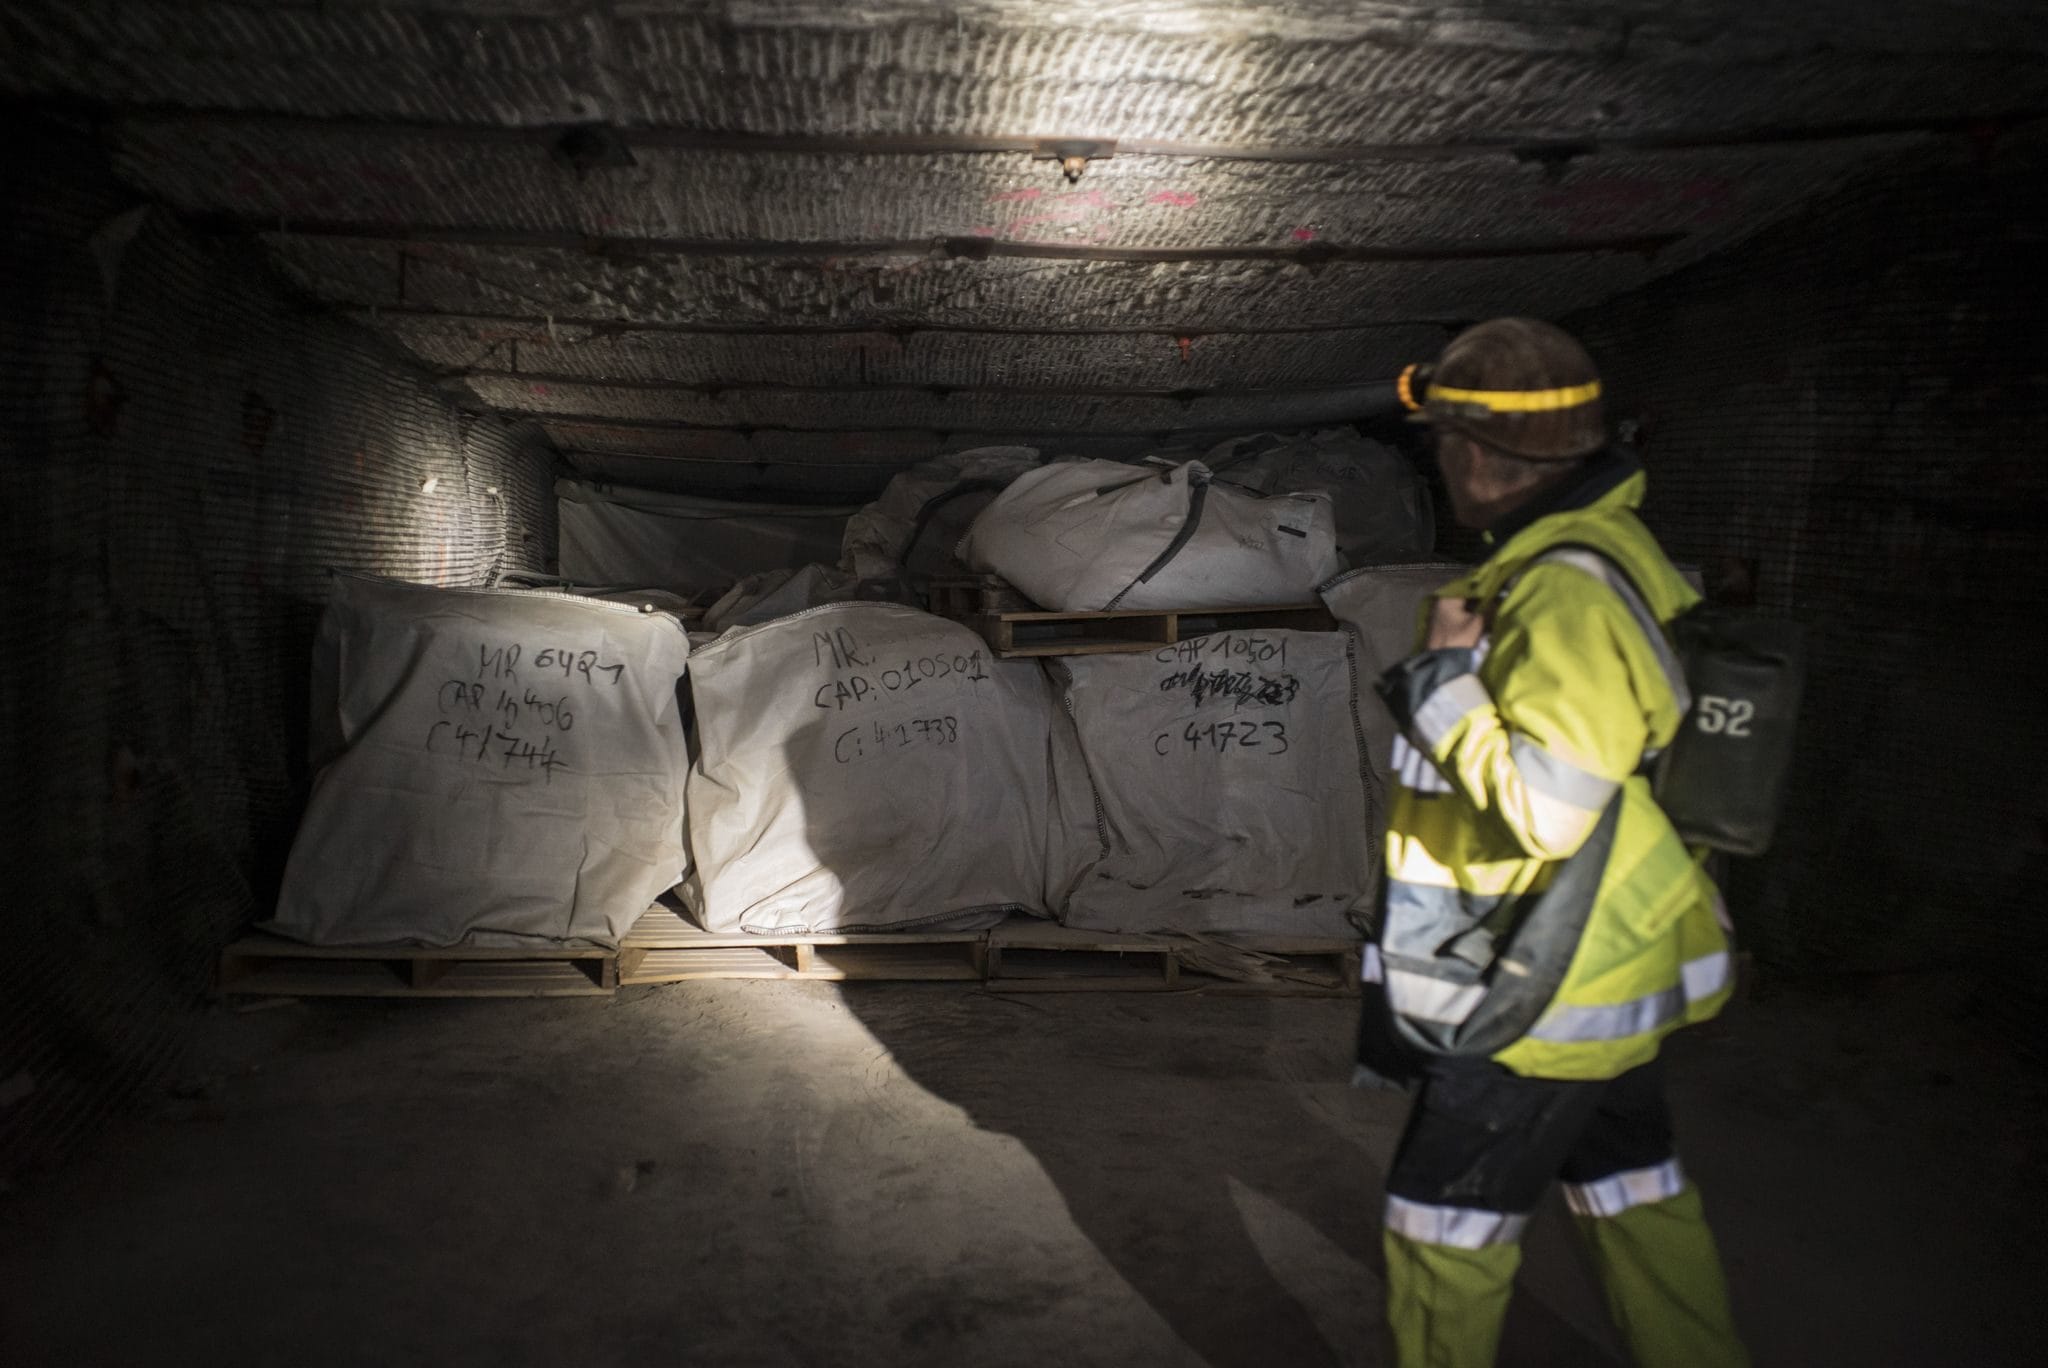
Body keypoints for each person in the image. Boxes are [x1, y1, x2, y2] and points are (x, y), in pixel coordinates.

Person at [1360, 318, 1748, 1367]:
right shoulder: (1610, 548)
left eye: (1440, 447)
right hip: (1605, 954)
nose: (1442, 468)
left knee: (1439, 1229)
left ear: (1477, 455)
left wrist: (1442, 685)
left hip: (1538, 982)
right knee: (1630, 1192)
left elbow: (1543, 807)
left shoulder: (1563, 590)